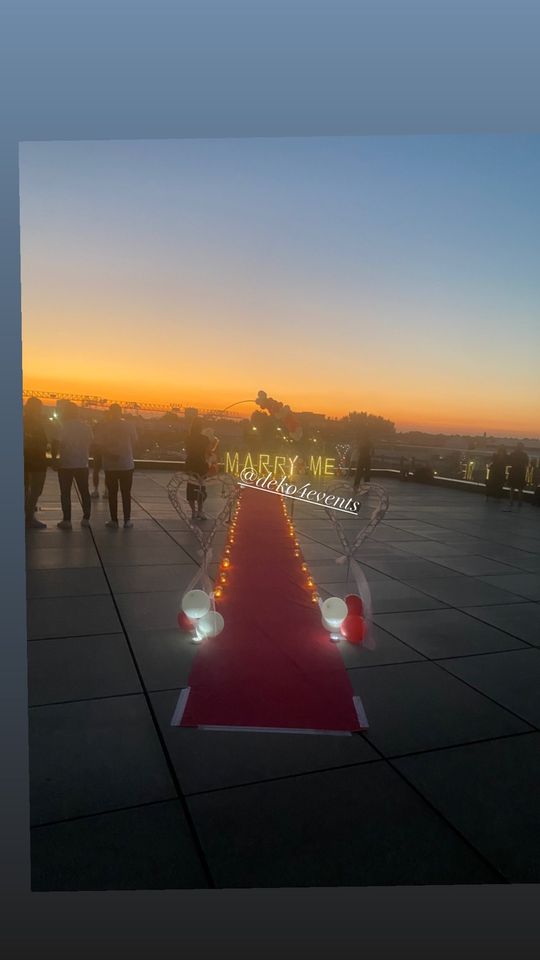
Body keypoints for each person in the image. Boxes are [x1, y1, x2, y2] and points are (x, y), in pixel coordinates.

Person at [51, 402, 93, 529]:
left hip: (66, 464)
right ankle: (86, 518)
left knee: (65, 492)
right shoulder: (86, 427)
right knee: (84, 491)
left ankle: (67, 520)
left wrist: (54, 459)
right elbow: (91, 441)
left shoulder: (62, 426)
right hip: (82, 464)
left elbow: (55, 443)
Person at [101, 404, 138, 528]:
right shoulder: (129, 425)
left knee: (112, 493)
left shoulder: (105, 426)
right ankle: (127, 520)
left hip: (110, 466)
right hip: (126, 465)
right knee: (126, 493)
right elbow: (135, 441)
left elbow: (100, 445)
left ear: (110, 412)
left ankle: (114, 520)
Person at [23, 396, 49, 529]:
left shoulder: (24, 421)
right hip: (36, 460)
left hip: (26, 459)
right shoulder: (35, 423)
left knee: (26, 488)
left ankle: (27, 513)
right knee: (36, 489)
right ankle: (29, 517)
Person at [185, 417, 211, 520]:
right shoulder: (205, 439)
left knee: (191, 488)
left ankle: (193, 512)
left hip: (191, 464)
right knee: (201, 488)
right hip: (201, 465)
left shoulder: (189, 438)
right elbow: (208, 452)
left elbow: (187, 451)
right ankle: (200, 511)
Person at [90, 415, 108, 498]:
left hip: (98, 449)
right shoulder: (110, 426)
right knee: (107, 472)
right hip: (106, 450)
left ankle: (96, 490)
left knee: (96, 470)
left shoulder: (97, 425)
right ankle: (106, 491)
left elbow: (92, 438)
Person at [508, 442, 529, 508]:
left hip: (514, 471)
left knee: (512, 487)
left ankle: (511, 501)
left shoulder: (513, 454)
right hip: (521, 472)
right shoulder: (524, 455)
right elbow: (526, 463)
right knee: (520, 488)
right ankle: (519, 502)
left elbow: (509, 462)